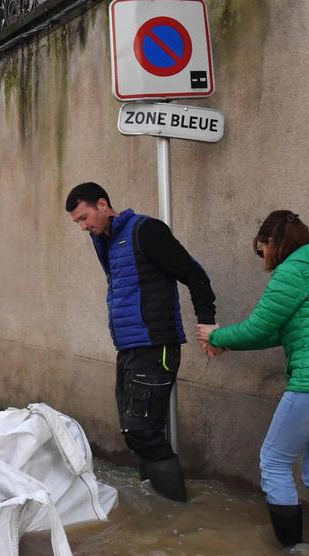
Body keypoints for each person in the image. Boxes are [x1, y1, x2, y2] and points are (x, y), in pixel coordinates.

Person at [199, 211, 309, 549]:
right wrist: (226, 340)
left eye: (260, 249)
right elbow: (280, 332)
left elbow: (258, 327)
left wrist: (217, 338)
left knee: (274, 461)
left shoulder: (292, 272)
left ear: (273, 243)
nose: (262, 258)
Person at [66, 182, 217, 502]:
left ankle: (176, 510)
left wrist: (207, 323)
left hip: (156, 345)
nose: (83, 227)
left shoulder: (146, 231)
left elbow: (194, 274)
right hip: (129, 347)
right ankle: (155, 509)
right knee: (133, 432)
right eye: (78, 222)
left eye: (84, 217)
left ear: (103, 204)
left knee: (143, 432)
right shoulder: (102, 240)